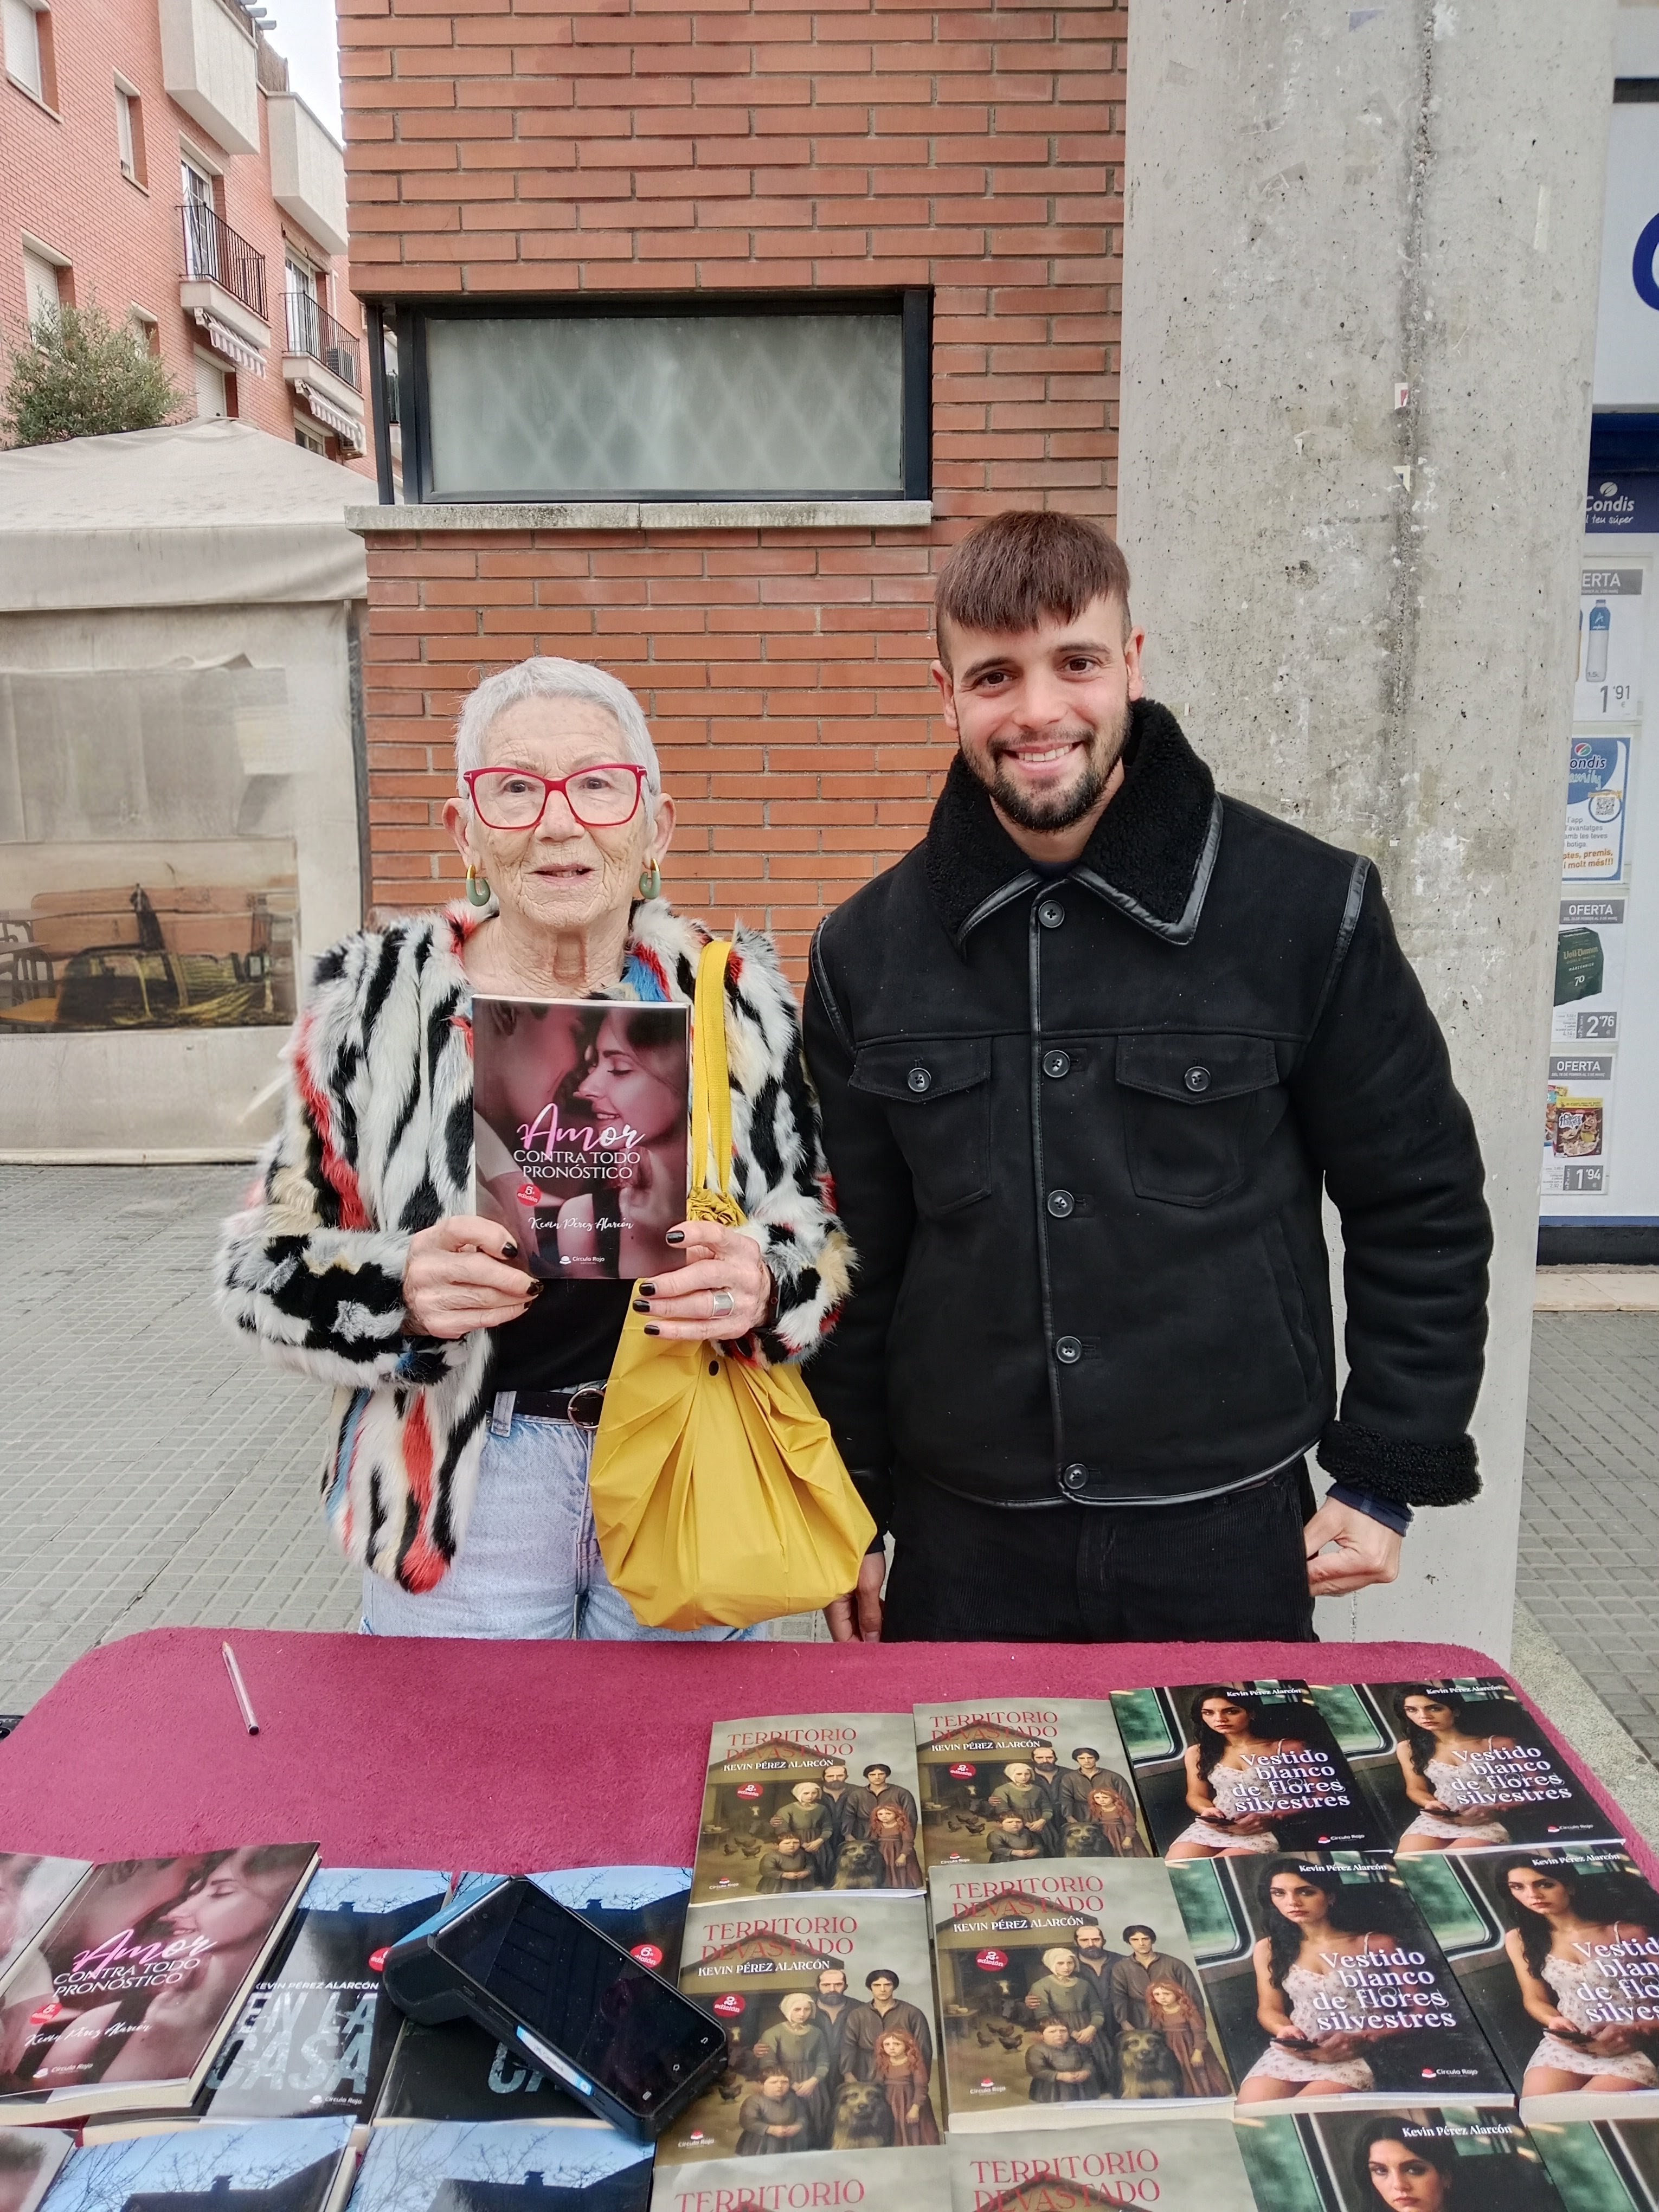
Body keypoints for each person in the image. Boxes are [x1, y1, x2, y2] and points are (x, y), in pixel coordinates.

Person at [806, 509, 1491, 1643]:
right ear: (946, 694)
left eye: (1075, 662)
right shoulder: (864, 952)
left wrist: (1382, 1470)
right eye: (994, 677)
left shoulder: (1308, 908)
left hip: (1229, 1536)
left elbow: (1418, 1204)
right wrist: (849, 1507)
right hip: (964, 1548)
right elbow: (852, 1267)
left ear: (1131, 662)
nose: (1038, 712)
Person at [216, 655, 850, 1638]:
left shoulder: (731, 1002)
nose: (559, 821)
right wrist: (399, 1291)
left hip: (686, 1458)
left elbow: (817, 1243)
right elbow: (256, 1271)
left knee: (676, 1781)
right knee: (462, 1782)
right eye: (515, 788)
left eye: (598, 784)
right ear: (465, 831)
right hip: (471, 1487)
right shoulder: (377, 1011)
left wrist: (762, 1287)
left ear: (655, 827)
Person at [1236, 1862, 1398, 2102]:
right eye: (1279, 1893)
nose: (1293, 1902)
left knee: (1306, 2107)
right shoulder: (1268, 1949)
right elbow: (1269, 2009)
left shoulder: (1378, 1944)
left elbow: (1422, 2010)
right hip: (1300, 2050)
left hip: (1357, 2049)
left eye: (1306, 1891)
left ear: (1330, 1896)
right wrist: (1285, 2030)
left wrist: (1367, 2038)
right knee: (1251, 2105)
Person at [1502, 1857, 1659, 2097]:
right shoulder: (1520, 1939)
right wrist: (1554, 2021)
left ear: (1570, 1886)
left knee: (1587, 2110)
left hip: (1635, 2041)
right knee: (1538, 2110)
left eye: (1544, 1884)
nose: (1532, 1895)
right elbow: (1534, 1998)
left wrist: (1640, 2031)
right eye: (1518, 1887)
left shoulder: (1630, 1933)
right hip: (1570, 2044)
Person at [1166, 1689, 1304, 1861]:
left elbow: (1323, 1793)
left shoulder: (1288, 1747)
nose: (1219, 1719)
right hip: (1220, 1825)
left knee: (1223, 1863)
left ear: (1251, 1713)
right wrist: (1207, 1810)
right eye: (1209, 1713)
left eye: (1231, 1711)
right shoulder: (1198, 1752)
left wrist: (1276, 1815)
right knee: (1176, 1861)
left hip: (1267, 1827)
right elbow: (1196, 1795)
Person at [1393, 1687, 1520, 1854]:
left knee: (1453, 1859)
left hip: (1488, 1818)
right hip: (1442, 1819)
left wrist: (1498, 1808)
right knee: (1409, 1861)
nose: (1423, 1716)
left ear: (1455, 1711)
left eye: (1434, 1708)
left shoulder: (1500, 1744)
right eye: (1412, 1710)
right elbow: (1415, 1789)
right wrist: (1430, 1803)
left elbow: (1540, 1789)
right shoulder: (1408, 1748)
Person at [754, 1992, 833, 2145]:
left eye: (807, 2009)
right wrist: (792, 2085)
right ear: (788, 2010)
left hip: (813, 2086)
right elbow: (768, 2065)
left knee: (817, 2119)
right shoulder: (772, 2033)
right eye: (797, 2010)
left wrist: (813, 2082)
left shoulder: (817, 2033)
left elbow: (824, 2061)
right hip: (784, 2085)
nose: (802, 2014)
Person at [843, 1970, 934, 2083]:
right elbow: (848, 2045)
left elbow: (923, 2047)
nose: (882, 1989)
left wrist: (921, 2078)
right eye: (877, 1985)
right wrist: (848, 2073)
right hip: (867, 2072)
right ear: (870, 1988)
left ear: (894, 1987)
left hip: (902, 2074)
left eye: (888, 1985)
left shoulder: (912, 2013)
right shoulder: (858, 2014)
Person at [1144, 1976, 1229, 2097]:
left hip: (1190, 2046)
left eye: (1166, 1994)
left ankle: (1203, 2096)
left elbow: (1199, 2032)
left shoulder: (1188, 2010)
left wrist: (1198, 2052)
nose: (1162, 1998)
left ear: (1177, 1993)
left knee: (1197, 2073)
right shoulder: (1157, 2012)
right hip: (1171, 2049)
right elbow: (1156, 2033)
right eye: (1157, 1995)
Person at [1109, 1925, 1201, 2030]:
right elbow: (1118, 1997)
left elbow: (1193, 1994)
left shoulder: (1175, 1964)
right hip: (1140, 2019)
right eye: (1135, 1940)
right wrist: (1123, 2022)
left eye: (1145, 1939)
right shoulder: (1121, 1968)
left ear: (1152, 1940)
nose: (1141, 1943)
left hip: (1175, 2021)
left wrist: (1198, 2024)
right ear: (1128, 1942)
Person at [872, 2027, 940, 2144]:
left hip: (910, 2101)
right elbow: (878, 2084)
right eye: (887, 2044)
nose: (891, 2048)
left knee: (914, 2130)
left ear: (907, 2045)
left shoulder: (914, 2063)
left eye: (897, 2044)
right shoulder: (883, 2062)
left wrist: (915, 2108)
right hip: (890, 2103)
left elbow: (921, 2087)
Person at [771, 1784, 837, 1887]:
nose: (810, 1796)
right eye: (806, 1793)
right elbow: (783, 1831)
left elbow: (828, 1828)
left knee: (824, 1865)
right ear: (799, 1794)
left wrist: (819, 1842)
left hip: (820, 1844)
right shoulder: (786, 1810)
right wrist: (803, 1844)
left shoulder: (823, 1809)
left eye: (814, 1793)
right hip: (796, 1844)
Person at [736, 2067, 809, 2156]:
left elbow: (802, 2116)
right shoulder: (754, 2101)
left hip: (790, 2143)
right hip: (761, 2144)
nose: (780, 2086)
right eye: (774, 2082)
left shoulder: (793, 2099)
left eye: (785, 2082)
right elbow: (747, 2121)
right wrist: (770, 2129)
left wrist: (797, 2126)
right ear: (761, 2084)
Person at [986, 1764, 1053, 1856]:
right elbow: (1003, 1810)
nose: (1024, 1777)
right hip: (1016, 1822)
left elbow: (1047, 1807)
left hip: (1039, 1823)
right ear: (1012, 1775)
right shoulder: (1002, 1790)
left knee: (1045, 1846)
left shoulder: (1038, 1790)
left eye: (1027, 1774)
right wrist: (1026, 1824)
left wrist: (1042, 1821)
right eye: (1019, 1774)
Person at [1025, 2020, 1096, 2103]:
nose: (1059, 2034)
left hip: (1080, 2089)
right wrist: (1060, 2076)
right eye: (1052, 2032)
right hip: (1049, 2091)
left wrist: (1086, 2072)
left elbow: (1088, 2061)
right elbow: (1036, 2070)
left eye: (1063, 2031)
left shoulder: (1077, 2047)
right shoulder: (1037, 2050)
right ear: (1041, 2035)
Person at [845, 1765, 919, 1843]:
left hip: (892, 1837)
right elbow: (848, 1816)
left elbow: (910, 1816)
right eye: (872, 1775)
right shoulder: (857, 1795)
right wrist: (848, 1834)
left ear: (886, 1775)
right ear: (867, 1776)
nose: (877, 1777)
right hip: (864, 1835)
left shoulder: (902, 1793)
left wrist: (908, 1838)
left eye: (881, 1774)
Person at [813, 1967, 855, 2087]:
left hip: (851, 2071)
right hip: (813, 2072)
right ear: (818, 1987)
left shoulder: (859, 2009)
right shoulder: (804, 2010)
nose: (832, 1989)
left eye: (838, 1985)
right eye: (826, 1985)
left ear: (845, 1987)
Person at [867, 1802, 923, 1889]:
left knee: (901, 1872)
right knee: (886, 1873)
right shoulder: (877, 1826)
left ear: (896, 1814)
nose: (884, 1816)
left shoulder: (903, 1826)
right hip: (883, 1854)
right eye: (880, 1814)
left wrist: (903, 1856)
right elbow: (872, 1841)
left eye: (888, 1814)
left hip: (899, 1852)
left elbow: (908, 1842)